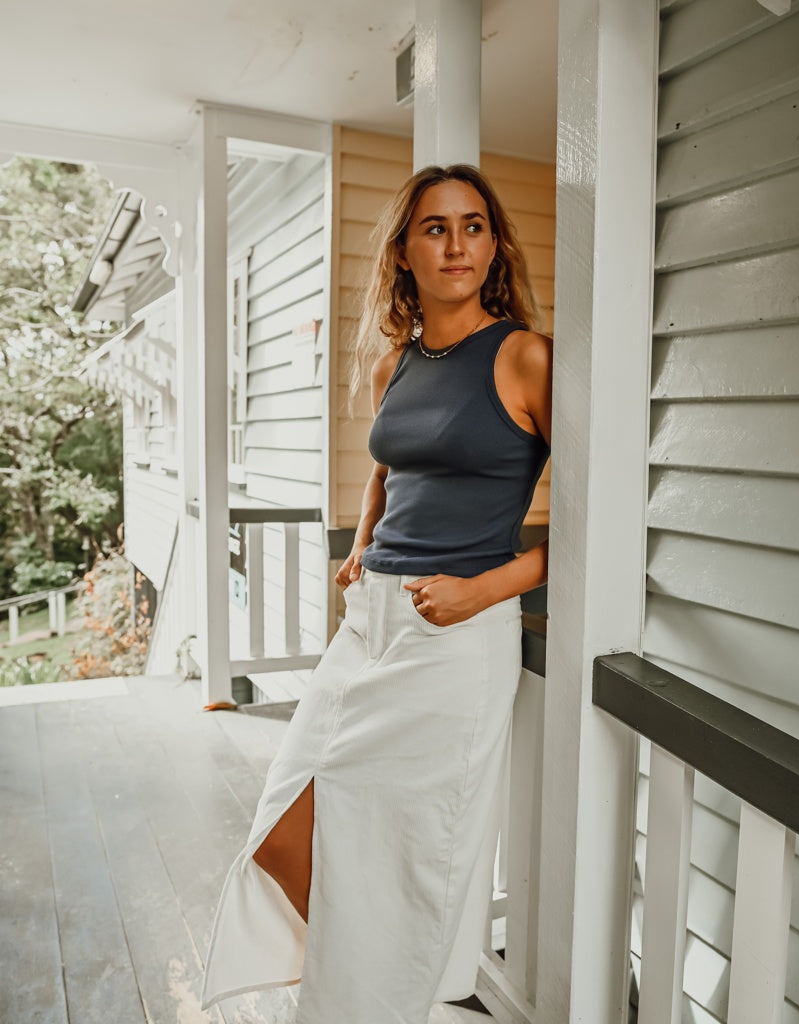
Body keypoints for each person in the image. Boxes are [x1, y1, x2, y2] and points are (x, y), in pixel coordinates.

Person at [201, 164, 551, 1024]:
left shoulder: (524, 357)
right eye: (435, 228)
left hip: (456, 632)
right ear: (404, 252)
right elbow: (388, 467)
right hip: (369, 623)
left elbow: (595, 520)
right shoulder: (395, 363)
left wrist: (484, 591)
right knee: (283, 830)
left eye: (474, 226)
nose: (457, 244)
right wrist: (361, 544)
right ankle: (369, 989)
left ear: (494, 246)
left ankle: (369, 1001)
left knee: (403, 854)